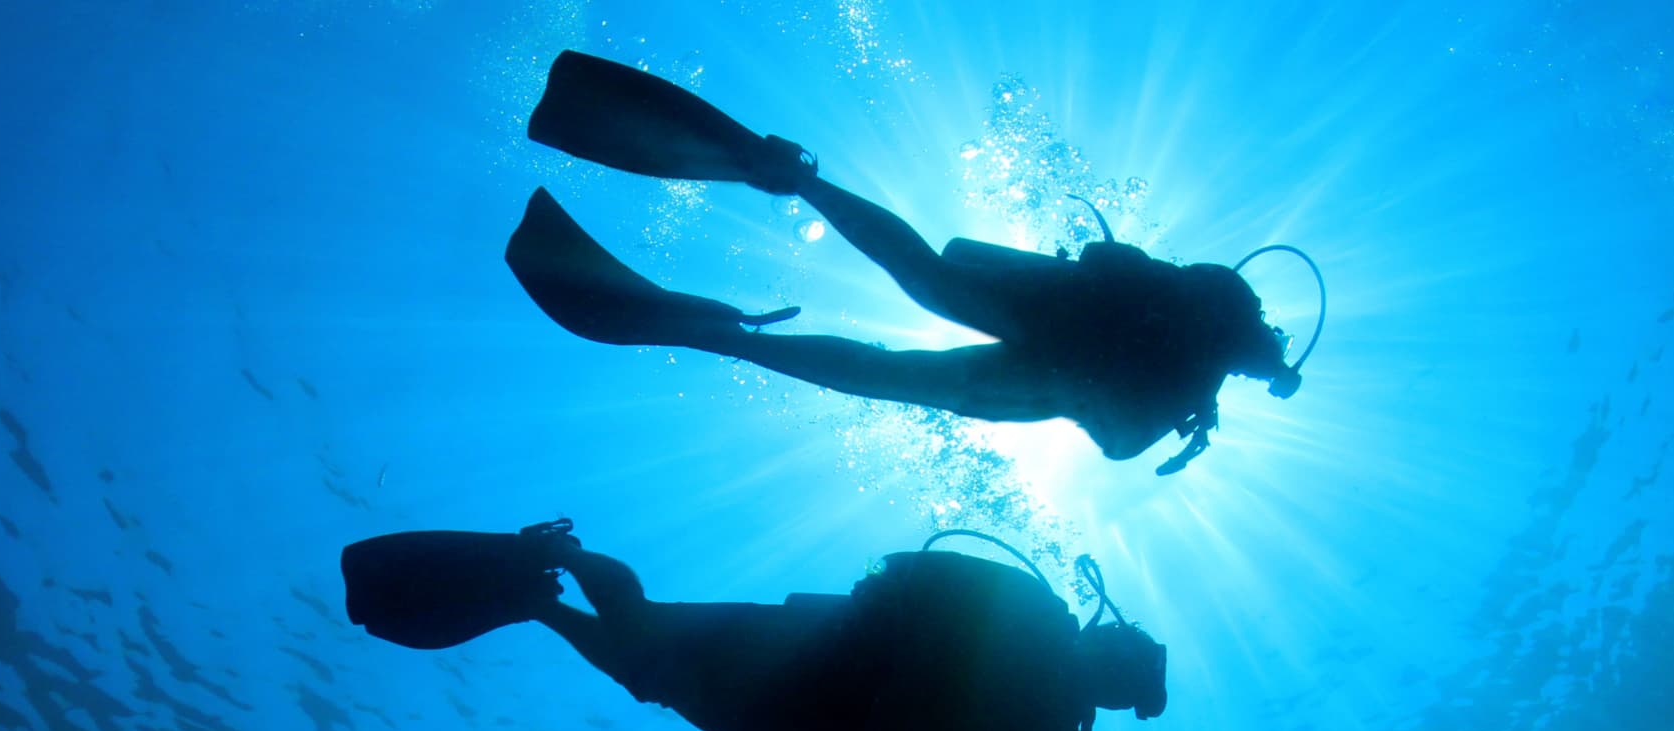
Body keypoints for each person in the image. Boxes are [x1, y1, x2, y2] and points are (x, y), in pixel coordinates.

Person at [502, 50, 1322, 474]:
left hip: (1049, 345)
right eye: (1269, 363)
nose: (1262, 365)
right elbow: (1116, 425)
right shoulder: (1208, 337)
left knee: (912, 307)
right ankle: (750, 296)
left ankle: (786, 200)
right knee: (897, 340)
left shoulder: (1204, 351)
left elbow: (1115, 419)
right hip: (1054, 342)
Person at [339, 519, 1166, 731]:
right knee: (648, 642)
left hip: (801, 694)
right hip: (801, 664)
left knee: (647, 672)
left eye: (1121, 665)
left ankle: (541, 596)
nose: (1107, 658)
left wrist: (901, 707)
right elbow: (903, 572)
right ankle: (560, 568)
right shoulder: (1043, 676)